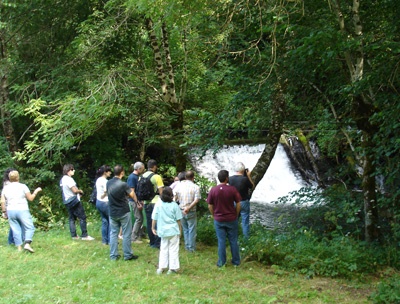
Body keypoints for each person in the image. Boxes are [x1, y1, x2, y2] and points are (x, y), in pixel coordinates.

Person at [207, 170, 241, 267]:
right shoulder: (232, 189)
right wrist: (236, 214)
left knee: (221, 241)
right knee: (233, 240)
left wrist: (214, 215)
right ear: (227, 178)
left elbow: (210, 205)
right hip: (231, 218)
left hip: (219, 219)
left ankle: (221, 262)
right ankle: (236, 262)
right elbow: (239, 204)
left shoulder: (213, 190)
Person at [1, 170, 42, 252]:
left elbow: (2, 201)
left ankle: (19, 248)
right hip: (22, 209)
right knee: (30, 227)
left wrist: (4, 212)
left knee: (15, 229)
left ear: (9, 178)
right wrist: (36, 191)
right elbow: (30, 198)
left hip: (11, 210)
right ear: (18, 177)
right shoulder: (23, 186)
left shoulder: (5, 188)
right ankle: (27, 243)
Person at [107, 165, 139, 261]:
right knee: (126, 234)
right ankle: (128, 255)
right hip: (123, 212)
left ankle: (113, 255)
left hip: (112, 212)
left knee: (113, 234)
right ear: (122, 172)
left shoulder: (108, 183)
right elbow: (132, 194)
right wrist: (137, 202)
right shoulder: (123, 184)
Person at [152, 187, 182, 275]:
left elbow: (154, 217)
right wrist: (180, 230)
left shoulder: (158, 204)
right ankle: (172, 268)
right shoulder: (174, 205)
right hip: (173, 230)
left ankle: (161, 267)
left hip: (163, 230)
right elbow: (178, 220)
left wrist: (153, 227)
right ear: (171, 195)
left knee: (163, 249)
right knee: (173, 249)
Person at [60, 164, 94, 241]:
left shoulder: (62, 179)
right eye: (72, 169)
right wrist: (80, 191)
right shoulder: (69, 179)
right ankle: (84, 235)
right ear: (68, 171)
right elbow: (74, 190)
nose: (74, 171)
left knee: (72, 218)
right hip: (74, 201)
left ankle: (74, 235)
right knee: (82, 217)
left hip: (67, 201)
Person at [174, 170, 201, 252]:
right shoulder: (196, 187)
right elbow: (196, 200)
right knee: (192, 229)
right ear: (193, 178)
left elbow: (175, 197)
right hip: (191, 210)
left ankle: (187, 246)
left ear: (185, 177)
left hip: (181, 209)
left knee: (185, 229)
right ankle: (191, 248)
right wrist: (189, 207)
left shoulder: (179, 186)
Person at [229, 162, 254, 239]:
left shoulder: (230, 179)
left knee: (233, 220)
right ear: (243, 170)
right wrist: (249, 176)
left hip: (233, 202)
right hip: (243, 202)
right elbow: (252, 186)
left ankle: (232, 238)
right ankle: (246, 240)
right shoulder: (245, 179)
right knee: (245, 222)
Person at [143, 159, 164, 249]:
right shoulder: (157, 177)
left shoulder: (142, 176)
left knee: (149, 222)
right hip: (155, 202)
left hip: (145, 202)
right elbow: (161, 192)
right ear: (154, 166)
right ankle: (157, 243)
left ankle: (151, 242)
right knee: (157, 222)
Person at [127, 161, 145, 244]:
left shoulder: (137, 177)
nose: (143, 170)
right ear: (138, 169)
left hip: (138, 200)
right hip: (134, 201)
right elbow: (132, 191)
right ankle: (133, 237)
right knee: (138, 218)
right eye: (142, 169)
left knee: (140, 218)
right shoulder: (132, 177)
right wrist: (137, 202)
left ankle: (140, 234)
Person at [1, 168, 19, 245]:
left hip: (10, 206)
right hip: (11, 205)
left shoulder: (6, 183)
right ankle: (11, 240)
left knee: (14, 223)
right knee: (14, 224)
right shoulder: (9, 184)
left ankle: (13, 240)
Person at [95, 165, 112, 245]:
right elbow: (106, 191)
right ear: (105, 172)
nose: (110, 173)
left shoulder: (98, 180)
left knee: (104, 221)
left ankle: (104, 241)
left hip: (98, 202)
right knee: (111, 221)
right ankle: (110, 240)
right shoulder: (105, 181)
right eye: (109, 171)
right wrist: (104, 195)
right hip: (105, 202)